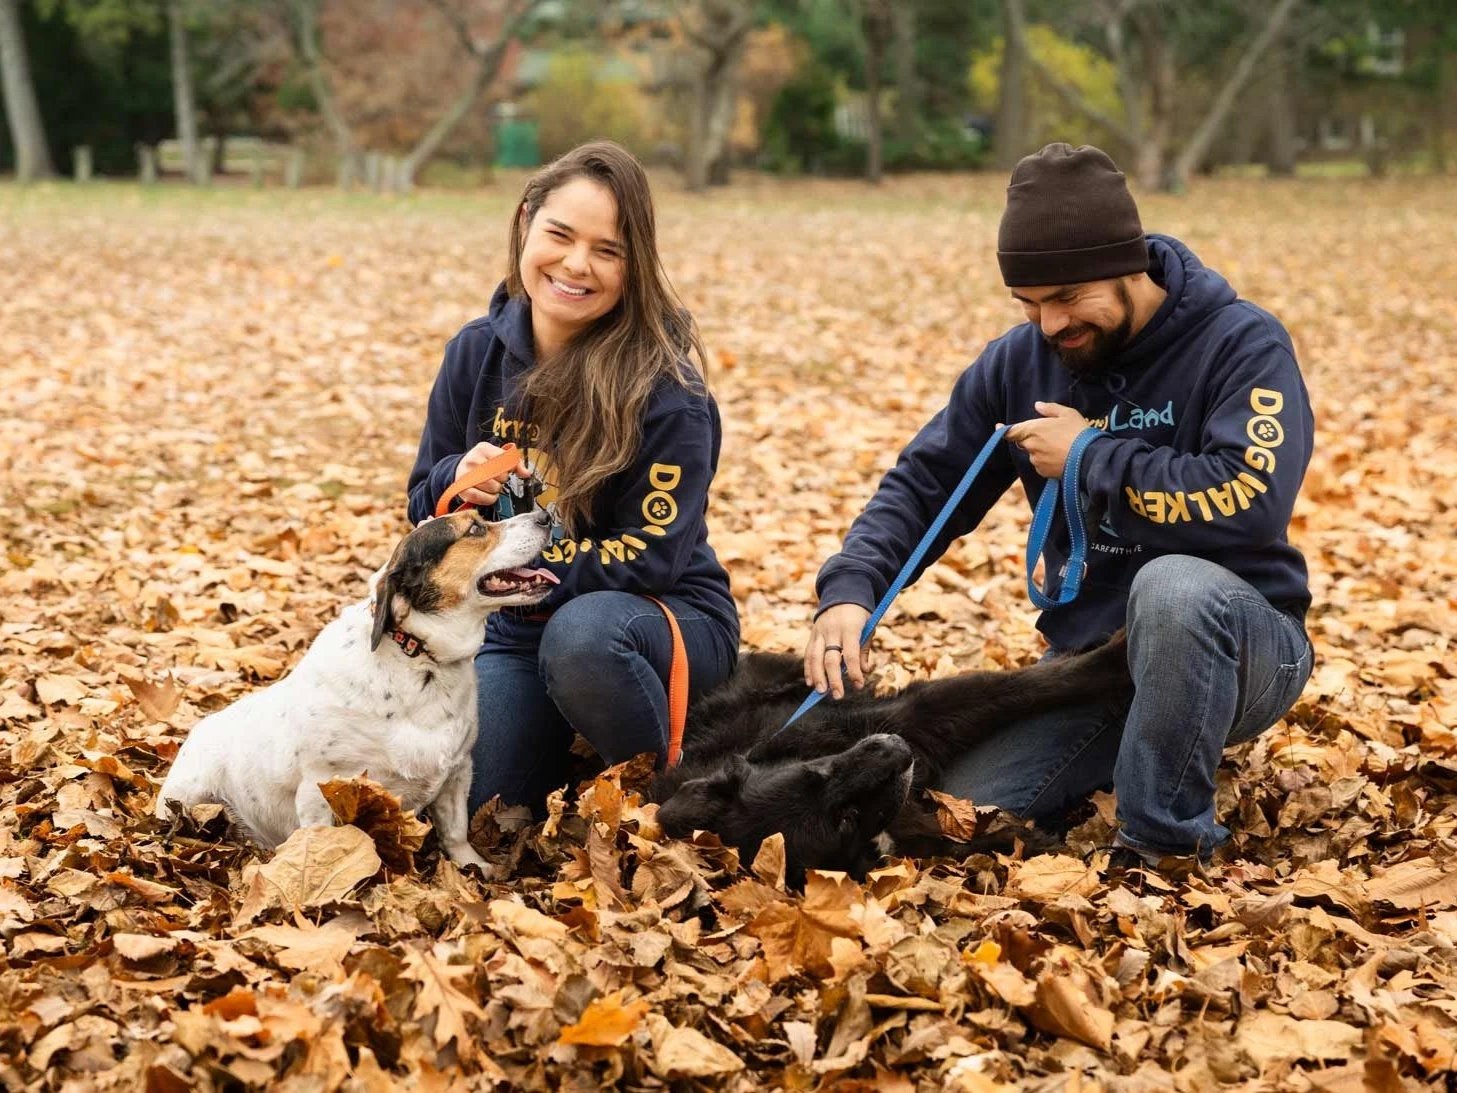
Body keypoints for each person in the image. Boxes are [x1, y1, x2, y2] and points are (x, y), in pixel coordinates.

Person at [805, 142, 1314, 865]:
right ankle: (1147, 743)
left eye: (1067, 299)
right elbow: (925, 484)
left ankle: (1161, 844)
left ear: (1128, 264)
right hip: (1092, 662)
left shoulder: (1240, 343)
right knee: (963, 807)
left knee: (1169, 589)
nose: (1048, 325)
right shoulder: (1018, 361)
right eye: (1029, 304)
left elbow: (1248, 501)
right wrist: (850, 590)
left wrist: (1090, 455)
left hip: (1242, 645)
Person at [407, 141, 739, 817]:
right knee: (483, 809)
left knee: (582, 638)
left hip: (657, 621)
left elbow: (648, 557)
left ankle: (676, 801)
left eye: (607, 250)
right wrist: (453, 479)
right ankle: (570, 739)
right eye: (559, 234)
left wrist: (527, 578)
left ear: (633, 265)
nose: (576, 264)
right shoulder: (475, 352)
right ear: (526, 221)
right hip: (513, 625)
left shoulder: (667, 391)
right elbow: (422, 504)